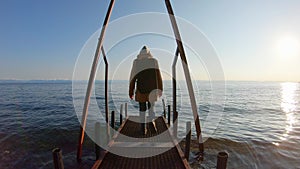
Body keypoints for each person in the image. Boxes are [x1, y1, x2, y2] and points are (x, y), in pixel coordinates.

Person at [129, 45, 163, 135]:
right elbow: (158, 76)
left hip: (141, 90)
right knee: (152, 108)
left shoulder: (136, 62)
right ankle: (152, 123)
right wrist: (160, 89)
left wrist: (131, 91)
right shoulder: (154, 61)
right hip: (152, 90)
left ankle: (143, 129)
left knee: (142, 110)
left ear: (140, 53)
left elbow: (132, 77)